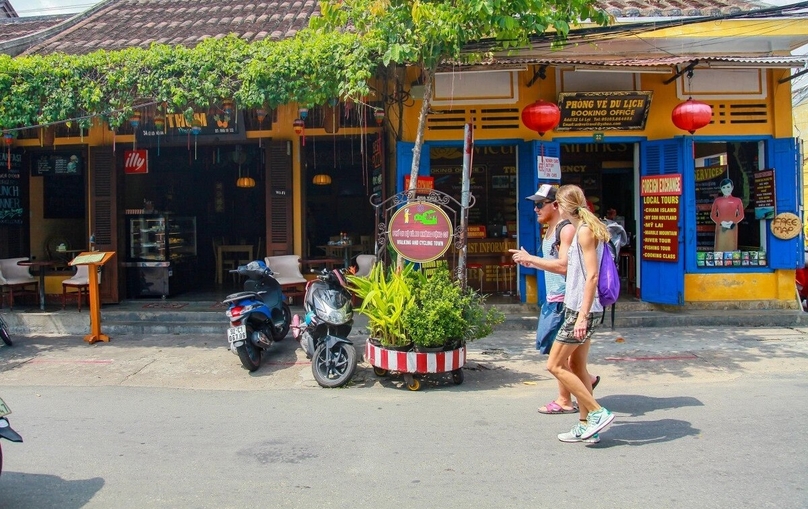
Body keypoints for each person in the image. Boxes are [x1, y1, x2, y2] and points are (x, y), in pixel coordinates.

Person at [513, 184, 614, 443]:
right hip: (578, 307)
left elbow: (590, 276)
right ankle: (584, 424)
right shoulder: (582, 229)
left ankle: (596, 411)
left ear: (562, 205)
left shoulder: (583, 232)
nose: (542, 208)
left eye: (552, 203)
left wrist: (581, 316)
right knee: (577, 366)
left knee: (554, 364)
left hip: (581, 309)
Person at [711, 178, 744, 251]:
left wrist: (733, 222)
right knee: (720, 248)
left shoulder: (737, 200)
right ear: (721, 189)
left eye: (728, 187)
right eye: (724, 187)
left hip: (732, 227)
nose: (726, 189)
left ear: (732, 187)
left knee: (731, 246)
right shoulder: (717, 201)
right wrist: (721, 222)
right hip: (721, 227)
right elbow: (713, 215)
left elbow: (741, 215)